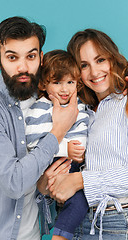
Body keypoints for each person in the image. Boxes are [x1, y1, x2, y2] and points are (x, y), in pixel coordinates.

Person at [0, 17, 78, 240]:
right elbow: (14, 183)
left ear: (41, 58)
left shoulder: (51, 100)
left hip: (30, 233)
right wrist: (58, 131)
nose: (23, 67)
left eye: (30, 56)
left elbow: (95, 86)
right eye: (12, 57)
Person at [42, 29, 128, 240]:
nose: (94, 72)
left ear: (113, 59)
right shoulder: (81, 109)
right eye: (84, 65)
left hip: (109, 223)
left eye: (100, 60)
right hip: (68, 219)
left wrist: (80, 180)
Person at [25, 50, 90, 240]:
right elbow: (34, 142)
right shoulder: (40, 107)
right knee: (78, 202)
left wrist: (80, 152)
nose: (64, 89)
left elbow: (83, 128)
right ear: (43, 84)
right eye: (57, 82)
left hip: (75, 164)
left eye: (70, 82)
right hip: (52, 163)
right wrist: (65, 149)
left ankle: (60, 235)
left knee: (80, 201)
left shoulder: (78, 104)